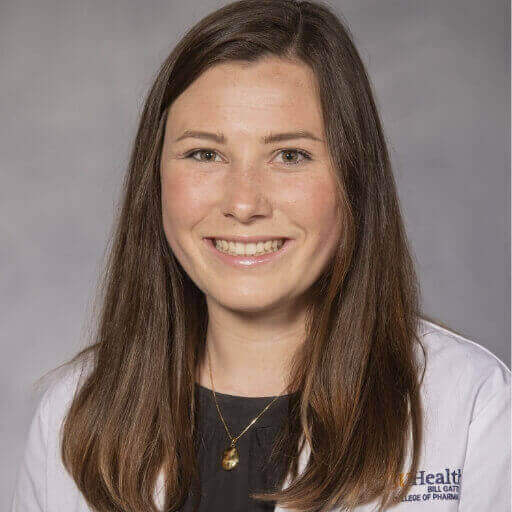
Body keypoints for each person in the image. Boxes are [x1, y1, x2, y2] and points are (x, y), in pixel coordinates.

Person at [10, 1, 510, 511]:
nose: (244, 204)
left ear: (354, 179)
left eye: (290, 155)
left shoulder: (473, 407)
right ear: (154, 178)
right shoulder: (73, 415)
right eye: (205, 154)